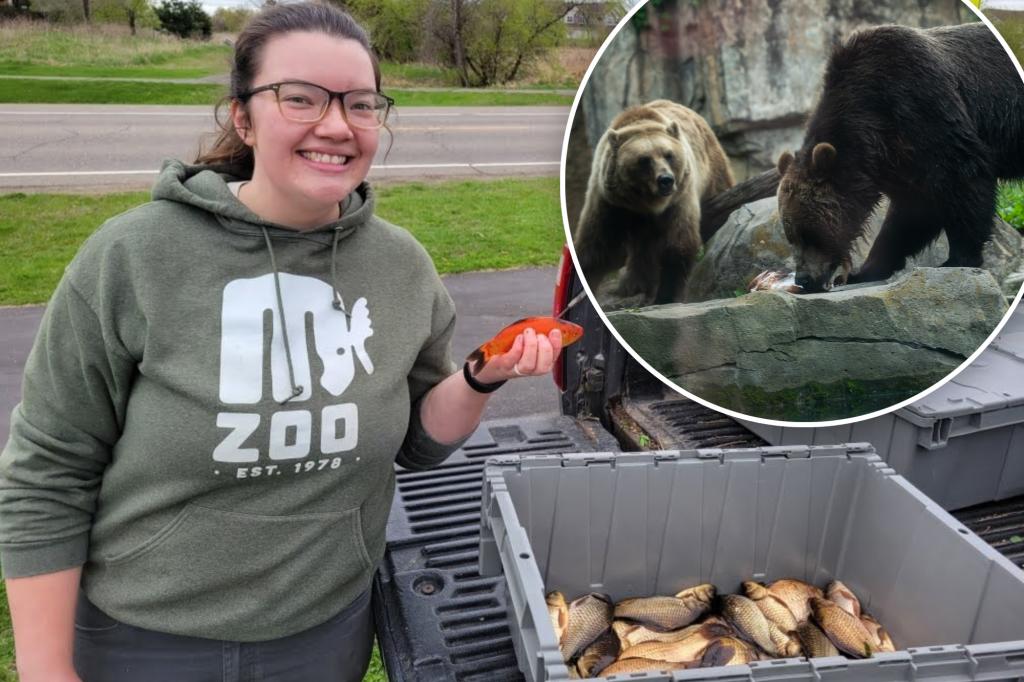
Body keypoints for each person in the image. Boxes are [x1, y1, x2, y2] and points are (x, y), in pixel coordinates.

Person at [0, 3, 562, 681]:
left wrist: (481, 376)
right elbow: (48, 469)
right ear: (243, 117)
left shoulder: (401, 267)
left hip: (324, 636)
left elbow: (416, 440)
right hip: (145, 641)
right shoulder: (133, 256)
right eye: (299, 99)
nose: (335, 125)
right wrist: (43, 670)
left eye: (359, 104)